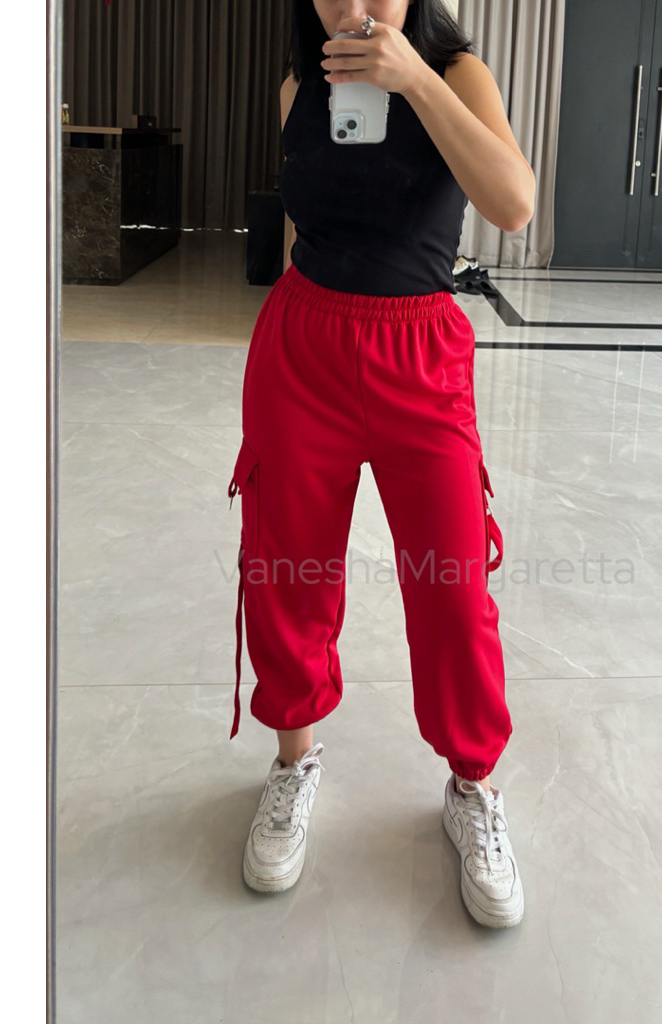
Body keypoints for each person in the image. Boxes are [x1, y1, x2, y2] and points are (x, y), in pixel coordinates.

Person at [226, 0, 535, 929]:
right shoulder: (298, 84)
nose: (356, 7)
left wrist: (416, 83)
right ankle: (293, 763)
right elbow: (301, 230)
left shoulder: (460, 72)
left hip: (419, 353)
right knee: (287, 569)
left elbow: (513, 204)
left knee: (451, 585)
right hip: (303, 348)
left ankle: (473, 785)